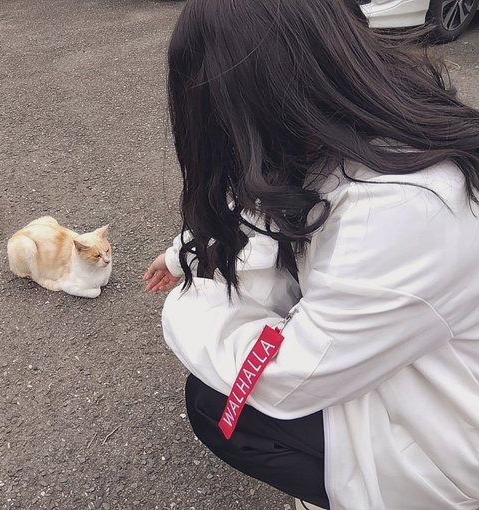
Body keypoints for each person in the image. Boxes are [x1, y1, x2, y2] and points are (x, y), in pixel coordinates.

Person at [142, 1, 479, 509]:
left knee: (216, 407)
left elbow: (291, 377)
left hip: (453, 440)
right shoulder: (372, 127)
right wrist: (182, 255)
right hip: (421, 360)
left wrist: (188, 304)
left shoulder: (402, 208)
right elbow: (259, 211)